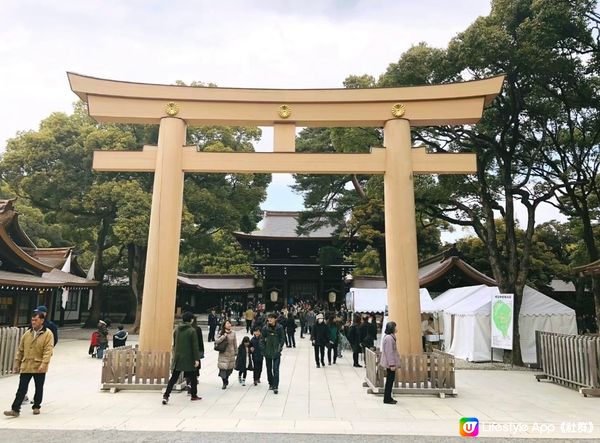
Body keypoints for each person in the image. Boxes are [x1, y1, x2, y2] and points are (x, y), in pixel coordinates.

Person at [4, 311, 54, 417]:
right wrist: (17, 363)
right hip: (26, 365)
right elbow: (20, 349)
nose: (33, 322)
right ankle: (15, 409)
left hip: (39, 365)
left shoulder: (48, 334)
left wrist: (44, 364)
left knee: (39, 387)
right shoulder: (27, 333)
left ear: (42, 321)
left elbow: (48, 350)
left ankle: (36, 406)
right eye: (32, 320)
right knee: (22, 388)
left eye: (36, 320)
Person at [162, 312, 201, 404]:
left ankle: (166, 396)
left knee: (173, 378)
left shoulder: (177, 330)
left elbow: (175, 344)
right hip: (189, 358)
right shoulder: (192, 331)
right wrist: (196, 359)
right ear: (191, 320)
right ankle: (193, 395)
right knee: (193, 378)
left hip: (178, 357)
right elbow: (195, 346)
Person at [260, 313, 285, 394]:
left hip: (276, 352)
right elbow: (262, 339)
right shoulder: (265, 328)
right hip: (267, 352)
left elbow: (282, 338)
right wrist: (263, 349)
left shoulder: (280, 327)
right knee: (269, 369)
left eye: (271, 318)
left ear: (275, 319)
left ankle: (275, 386)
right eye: (268, 318)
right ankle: (270, 383)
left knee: (276, 369)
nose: (269, 320)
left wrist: (279, 347)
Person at [380, 321, 401, 405]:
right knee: (389, 381)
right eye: (395, 327)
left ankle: (388, 397)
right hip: (390, 364)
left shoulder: (390, 337)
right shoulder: (389, 338)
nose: (396, 328)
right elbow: (390, 352)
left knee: (390, 380)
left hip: (390, 363)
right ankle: (387, 398)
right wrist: (392, 364)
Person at [215, 320, 237, 389]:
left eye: (230, 323)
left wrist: (236, 351)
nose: (229, 325)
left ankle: (226, 378)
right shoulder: (221, 332)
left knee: (229, 370)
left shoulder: (233, 333)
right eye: (227, 323)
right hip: (223, 353)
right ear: (224, 325)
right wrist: (223, 336)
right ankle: (224, 382)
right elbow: (216, 341)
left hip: (231, 353)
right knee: (223, 369)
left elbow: (235, 343)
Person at [188, 315, 205, 394]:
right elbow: (200, 341)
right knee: (196, 366)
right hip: (196, 350)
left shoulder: (188, 329)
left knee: (189, 367)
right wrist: (202, 350)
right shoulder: (197, 329)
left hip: (188, 351)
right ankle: (193, 382)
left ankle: (189, 382)